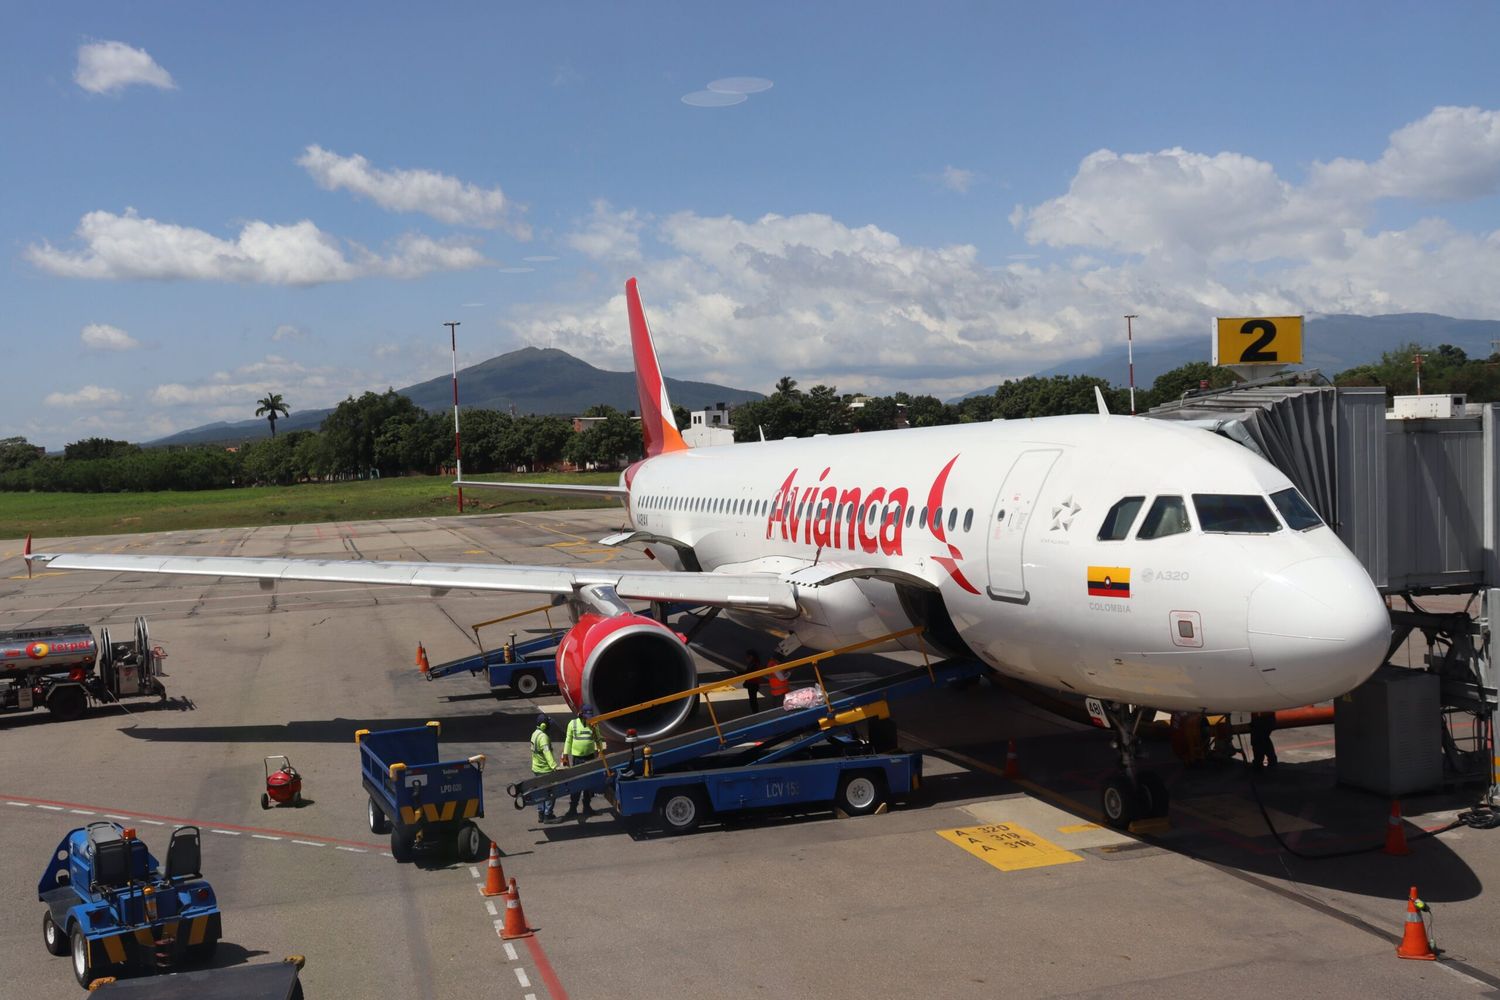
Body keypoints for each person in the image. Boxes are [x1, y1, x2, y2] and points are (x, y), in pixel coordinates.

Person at [561, 705, 605, 819]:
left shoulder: (593, 724)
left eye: (590, 716)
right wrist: (565, 754)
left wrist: (600, 752)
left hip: (590, 757)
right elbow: (568, 739)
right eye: (586, 716)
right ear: (581, 714)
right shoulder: (573, 724)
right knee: (576, 783)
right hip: (577, 758)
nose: (588, 718)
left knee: (589, 783)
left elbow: (598, 739)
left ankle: (587, 806)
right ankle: (573, 808)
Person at [529, 713, 559, 822]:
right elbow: (547, 754)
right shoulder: (544, 737)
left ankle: (541, 814)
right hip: (545, 770)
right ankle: (548, 815)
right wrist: (554, 767)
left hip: (536, 768)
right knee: (551, 792)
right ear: (543, 725)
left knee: (540, 792)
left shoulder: (534, 734)